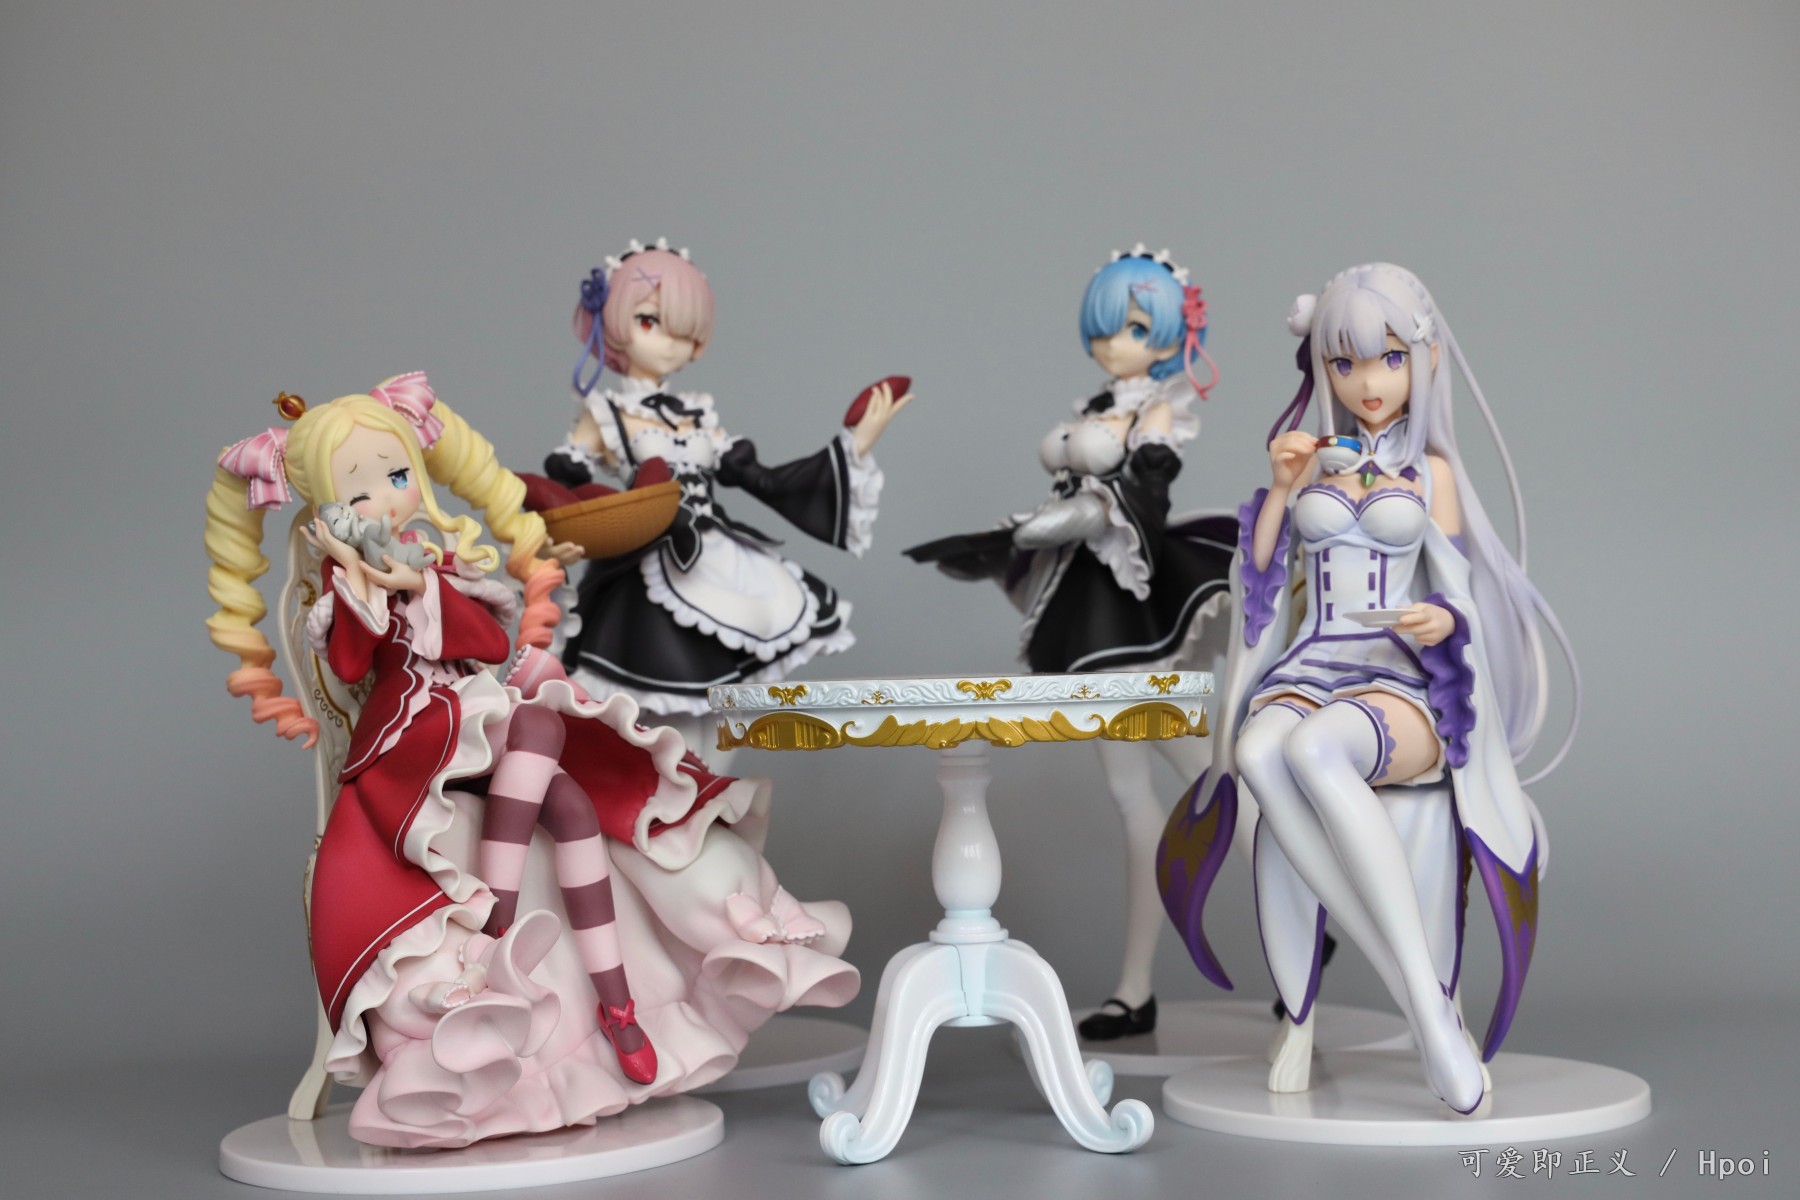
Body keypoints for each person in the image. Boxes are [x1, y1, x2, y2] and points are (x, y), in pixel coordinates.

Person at [205, 374, 857, 1148]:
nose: (387, 499)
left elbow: (488, 643)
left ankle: (614, 1004)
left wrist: (419, 582)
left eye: (399, 475)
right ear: (331, 509)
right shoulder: (344, 587)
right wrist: (360, 581)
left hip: (483, 721)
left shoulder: (437, 564)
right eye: (361, 490)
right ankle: (504, 929)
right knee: (542, 732)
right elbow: (349, 665)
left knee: (572, 802)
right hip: (415, 742)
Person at [1158, 264, 1578, 1113]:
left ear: (1424, 359)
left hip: (1396, 678)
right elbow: (1260, 579)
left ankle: (1424, 1000)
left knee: (1315, 750)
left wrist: (1439, 620)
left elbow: (1461, 590)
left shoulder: (1432, 475)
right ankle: (1425, 1006)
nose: (1367, 382)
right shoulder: (1311, 462)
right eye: (1343, 363)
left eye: (1387, 358)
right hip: (1309, 666)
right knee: (1259, 750)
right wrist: (1283, 488)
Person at [906, 246, 1235, 1039]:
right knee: (1137, 796)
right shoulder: (1097, 404)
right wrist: (1022, 535)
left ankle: (1303, 912)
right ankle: (1134, 989)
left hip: (1134, 613)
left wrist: (1064, 520)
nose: (1115, 343)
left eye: (1134, 328)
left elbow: (1143, 501)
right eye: (1106, 327)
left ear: (1170, 333)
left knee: (1219, 779)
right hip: (1092, 618)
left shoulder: (1160, 412)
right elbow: (1077, 496)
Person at [543, 239, 911, 762]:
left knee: (720, 708)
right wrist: (579, 517)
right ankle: (666, 800)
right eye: (650, 321)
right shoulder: (606, 414)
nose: (669, 342)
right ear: (615, 322)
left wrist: (852, 447)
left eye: (684, 330)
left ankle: (711, 798)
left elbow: (763, 480)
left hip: (719, 564)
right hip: (644, 568)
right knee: (653, 704)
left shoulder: (698, 415)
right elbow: (567, 484)